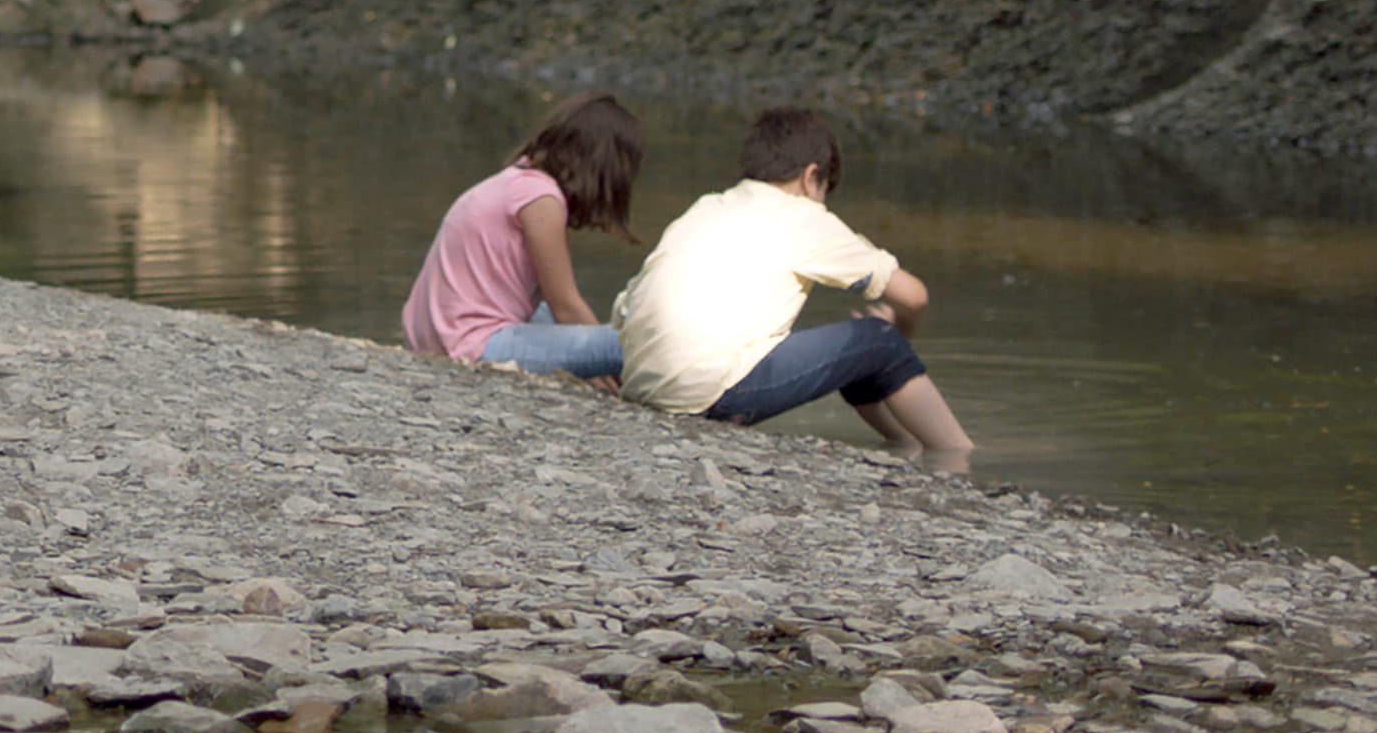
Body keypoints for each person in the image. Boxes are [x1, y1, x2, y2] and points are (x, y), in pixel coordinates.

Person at [614, 106, 971, 467]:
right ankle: (959, 458)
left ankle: (906, 445)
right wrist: (901, 331)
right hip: (709, 397)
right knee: (880, 341)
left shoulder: (706, 207)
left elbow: (626, 307)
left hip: (643, 389)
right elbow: (914, 295)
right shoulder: (804, 217)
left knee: (859, 352)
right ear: (811, 177)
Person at [403, 92, 646, 381]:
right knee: (633, 344)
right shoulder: (541, 200)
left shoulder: (515, 181)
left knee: (544, 311)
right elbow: (566, 306)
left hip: (436, 338)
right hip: (474, 346)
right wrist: (602, 358)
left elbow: (553, 306)